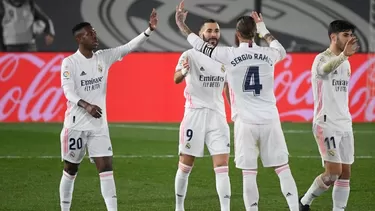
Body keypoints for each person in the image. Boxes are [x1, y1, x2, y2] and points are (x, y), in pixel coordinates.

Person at [175, 1, 299, 210]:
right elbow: (279, 47)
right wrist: (263, 29)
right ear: (254, 33)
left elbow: (198, 44)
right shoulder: (270, 54)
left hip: (245, 122)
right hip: (270, 119)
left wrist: (180, 24)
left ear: (237, 34)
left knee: (249, 173)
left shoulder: (229, 55)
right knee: (283, 169)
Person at [58, 9, 158, 211]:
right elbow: (68, 91)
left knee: (106, 168)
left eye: (94, 32)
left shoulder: (103, 57)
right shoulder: (69, 63)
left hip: (98, 125)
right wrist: (87, 105)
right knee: (70, 169)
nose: (95, 36)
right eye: (90, 33)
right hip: (75, 125)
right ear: (79, 38)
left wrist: (149, 30)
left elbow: (128, 47)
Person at [299, 20, 358, 211]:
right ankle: (304, 202)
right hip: (326, 123)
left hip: (344, 123)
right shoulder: (321, 59)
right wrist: (343, 56)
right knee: (333, 173)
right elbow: (325, 70)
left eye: (350, 35)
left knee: (346, 173)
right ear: (334, 37)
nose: (349, 39)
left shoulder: (346, 63)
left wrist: (344, 57)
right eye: (345, 35)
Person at [173, 19, 231, 211]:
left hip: (218, 116)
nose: (213, 34)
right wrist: (183, 70)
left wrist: (237, 113)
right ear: (201, 34)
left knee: (222, 166)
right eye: (209, 31)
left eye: (216, 31)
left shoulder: (224, 56)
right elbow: (175, 79)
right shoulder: (190, 54)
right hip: (194, 115)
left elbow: (228, 89)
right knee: (186, 164)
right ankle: (179, 207)